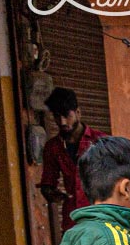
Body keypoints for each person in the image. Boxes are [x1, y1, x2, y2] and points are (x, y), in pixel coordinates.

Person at [39, 87, 103, 220]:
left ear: (78, 113)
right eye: (57, 116)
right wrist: (52, 194)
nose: (62, 122)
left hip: (101, 216)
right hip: (73, 219)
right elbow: (48, 183)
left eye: (67, 115)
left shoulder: (101, 141)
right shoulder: (53, 147)